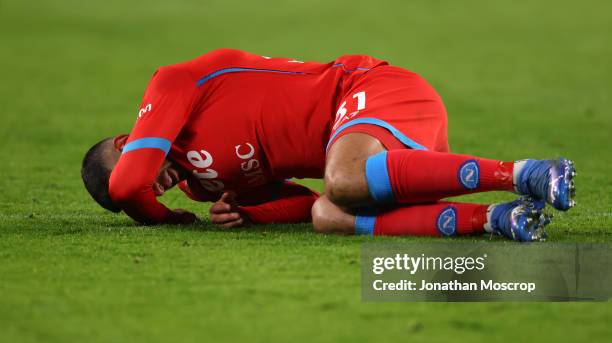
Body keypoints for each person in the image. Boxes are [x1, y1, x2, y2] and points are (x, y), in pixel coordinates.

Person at [81, 49, 576, 241]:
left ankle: (528, 172)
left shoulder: (171, 85)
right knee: (329, 214)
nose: (158, 185)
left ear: (130, 141)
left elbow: (127, 189)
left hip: (372, 88)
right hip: (372, 150)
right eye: (160, 193)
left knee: (341, 178)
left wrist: (168, 220)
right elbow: (300, 201)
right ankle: (501, 217)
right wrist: (254, 214)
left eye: (138, 165)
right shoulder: (202, 185)